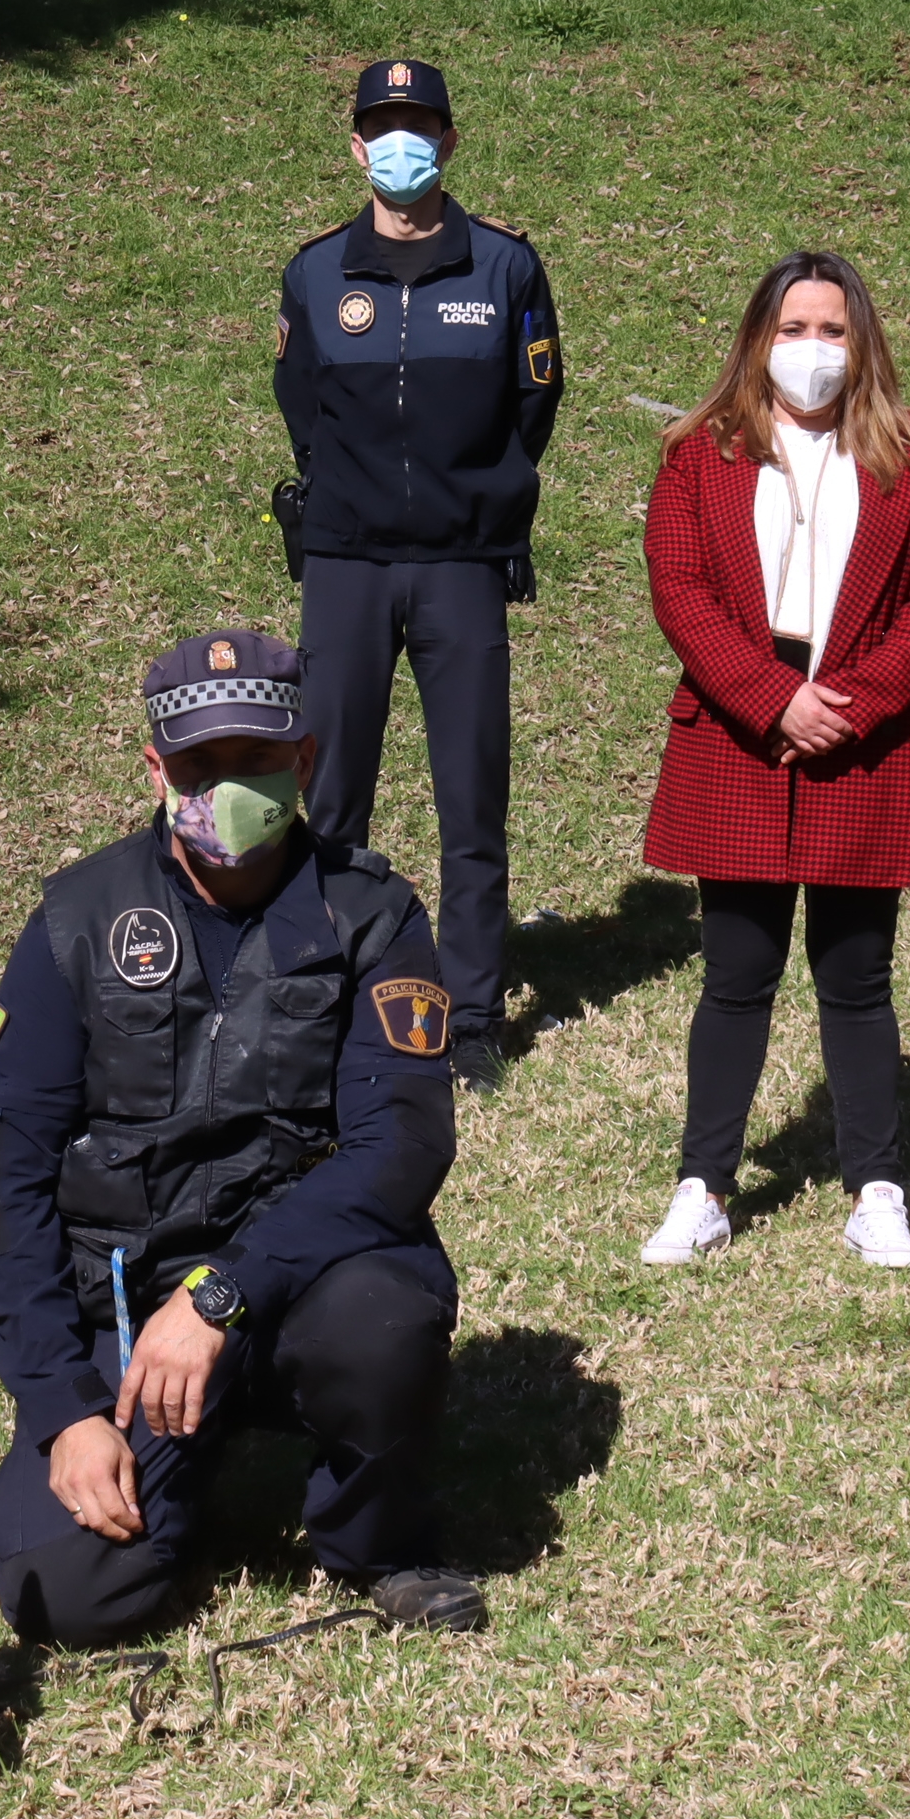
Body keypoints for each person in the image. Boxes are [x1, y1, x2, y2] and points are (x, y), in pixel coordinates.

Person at [0, 630, 483, 1649]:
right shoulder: (77, 918)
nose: (226, 789)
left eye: (253, 764)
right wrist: (65, 1409)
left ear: (305, 761)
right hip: (126, 1293)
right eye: (199, 767)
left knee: (381, 1320)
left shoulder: (371, 914)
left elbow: (400, 1146)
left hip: (294, 1282)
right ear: (156, 769)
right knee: (65, 1596)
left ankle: (375, 1539)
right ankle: (174, 1461)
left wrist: (221, 1294)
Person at [636, 252, 910, 1271]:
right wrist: (771, 696)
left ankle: (875, 1190)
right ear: (756, 340)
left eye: (832, 330)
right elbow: (681, 589)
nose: (812, 350)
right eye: (792, 329)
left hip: (866, 737)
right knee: (736, 974)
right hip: (743, 728)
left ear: (861, 342)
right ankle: (704, 1186)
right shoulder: (699, 454)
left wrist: (850, 706)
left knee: (855, 977)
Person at [272, 57, 563, 1096]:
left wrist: (475, 501)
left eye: (419, 124)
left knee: (470, 799)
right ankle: (328, 994)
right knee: (330, 796)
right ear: (354, 145)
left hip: (459, 567)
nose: (399, 143)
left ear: (449, 141)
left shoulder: (504, 269)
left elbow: (533, 405)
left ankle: (473, 1013)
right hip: (346, 566)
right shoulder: (313, 274)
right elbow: (300, 404)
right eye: (379, 126)